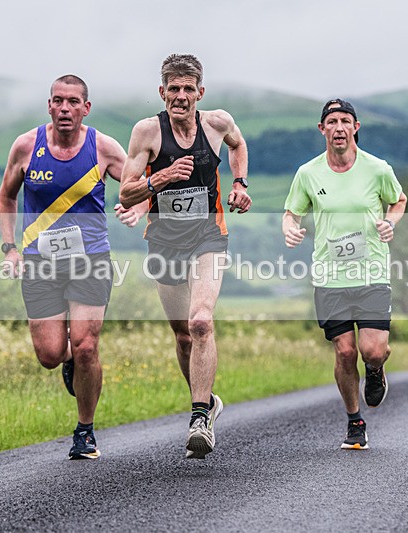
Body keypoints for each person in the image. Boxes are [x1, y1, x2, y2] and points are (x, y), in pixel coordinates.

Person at [0, 74, 145, 460]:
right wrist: (10, 248)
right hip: (39, 263)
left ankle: (85, 432)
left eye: (73, 102)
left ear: (86, 108)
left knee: (86, 345)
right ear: (49, 105)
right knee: (50, 353)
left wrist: (138, 208)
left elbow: (138, 185)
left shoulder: (103, 147)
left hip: (90, 261)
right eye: (58, 101)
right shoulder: (27, 146)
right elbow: (6, 197)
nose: (65, 108)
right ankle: (69, 363)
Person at [119, 54, 251, 459]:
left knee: (200, 322)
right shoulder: (147, 133)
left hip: (209, 236)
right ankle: (207, 401)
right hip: (164, 241)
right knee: (181, 335)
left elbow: (239, 144)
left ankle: (198, 418)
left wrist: (240, 183)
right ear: (162, 92)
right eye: (173, 89)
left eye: (188, 89)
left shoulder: (216, 124)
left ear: (200, 92)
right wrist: (158, 179)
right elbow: (126, 192)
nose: (180, 96)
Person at [282, 98, 407, 450]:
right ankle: (355, 421)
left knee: (371, 350)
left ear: (356, 128)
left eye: (345, 121)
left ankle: (377, 367)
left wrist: (390, 221)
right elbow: (291, 212)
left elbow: (399, 199)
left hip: (371, 271)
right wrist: (289, 228)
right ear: (322, 129)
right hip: (329, 275)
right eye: (332, 121)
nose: (339, 127)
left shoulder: (377, 168)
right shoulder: (308, 173)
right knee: (344, 351)